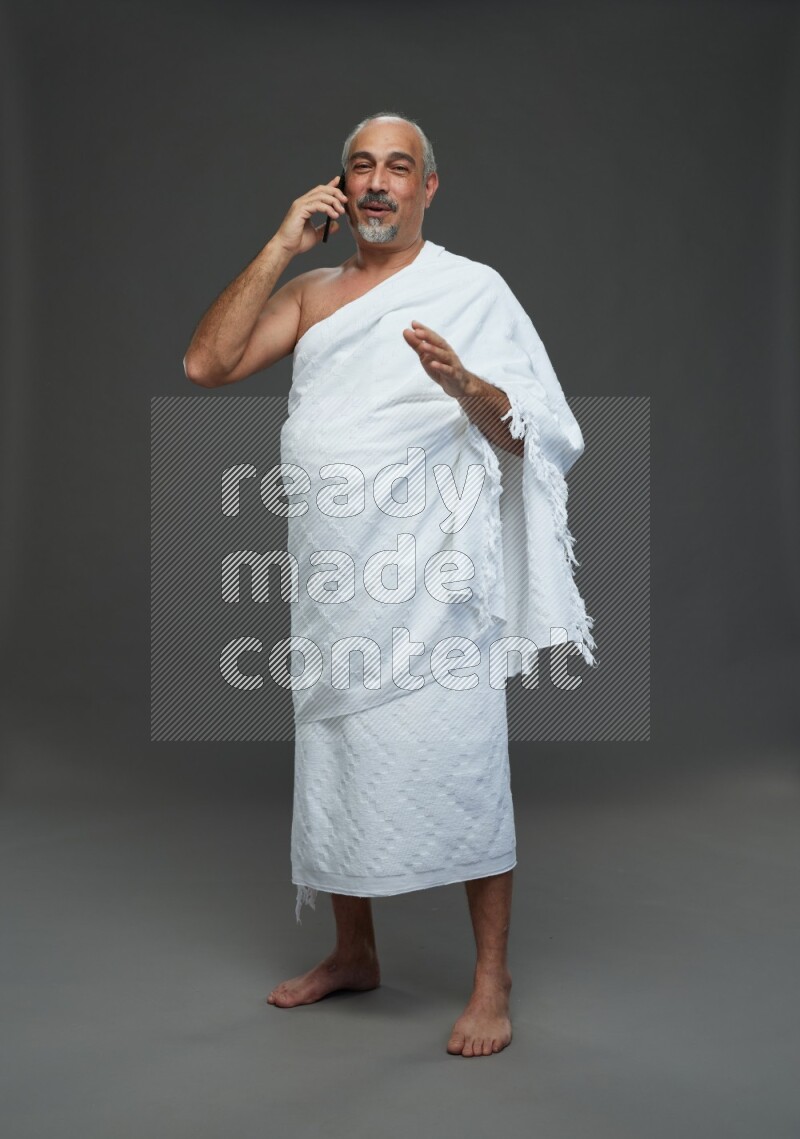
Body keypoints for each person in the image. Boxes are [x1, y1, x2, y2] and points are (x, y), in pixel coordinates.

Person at [183, 111, 596, 1057]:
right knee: (339, 758)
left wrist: (468, 389)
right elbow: (207, 363)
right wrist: (282, 243)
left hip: (437, 582)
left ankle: (491, 980)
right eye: (360, 167)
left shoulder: (473, 291)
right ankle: (353, 951)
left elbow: (541, 434)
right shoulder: (315, 291)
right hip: (335, 572)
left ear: (428, 187)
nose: (376, 183)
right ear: (339, 187)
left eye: (397, 168)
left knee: (467, 769)